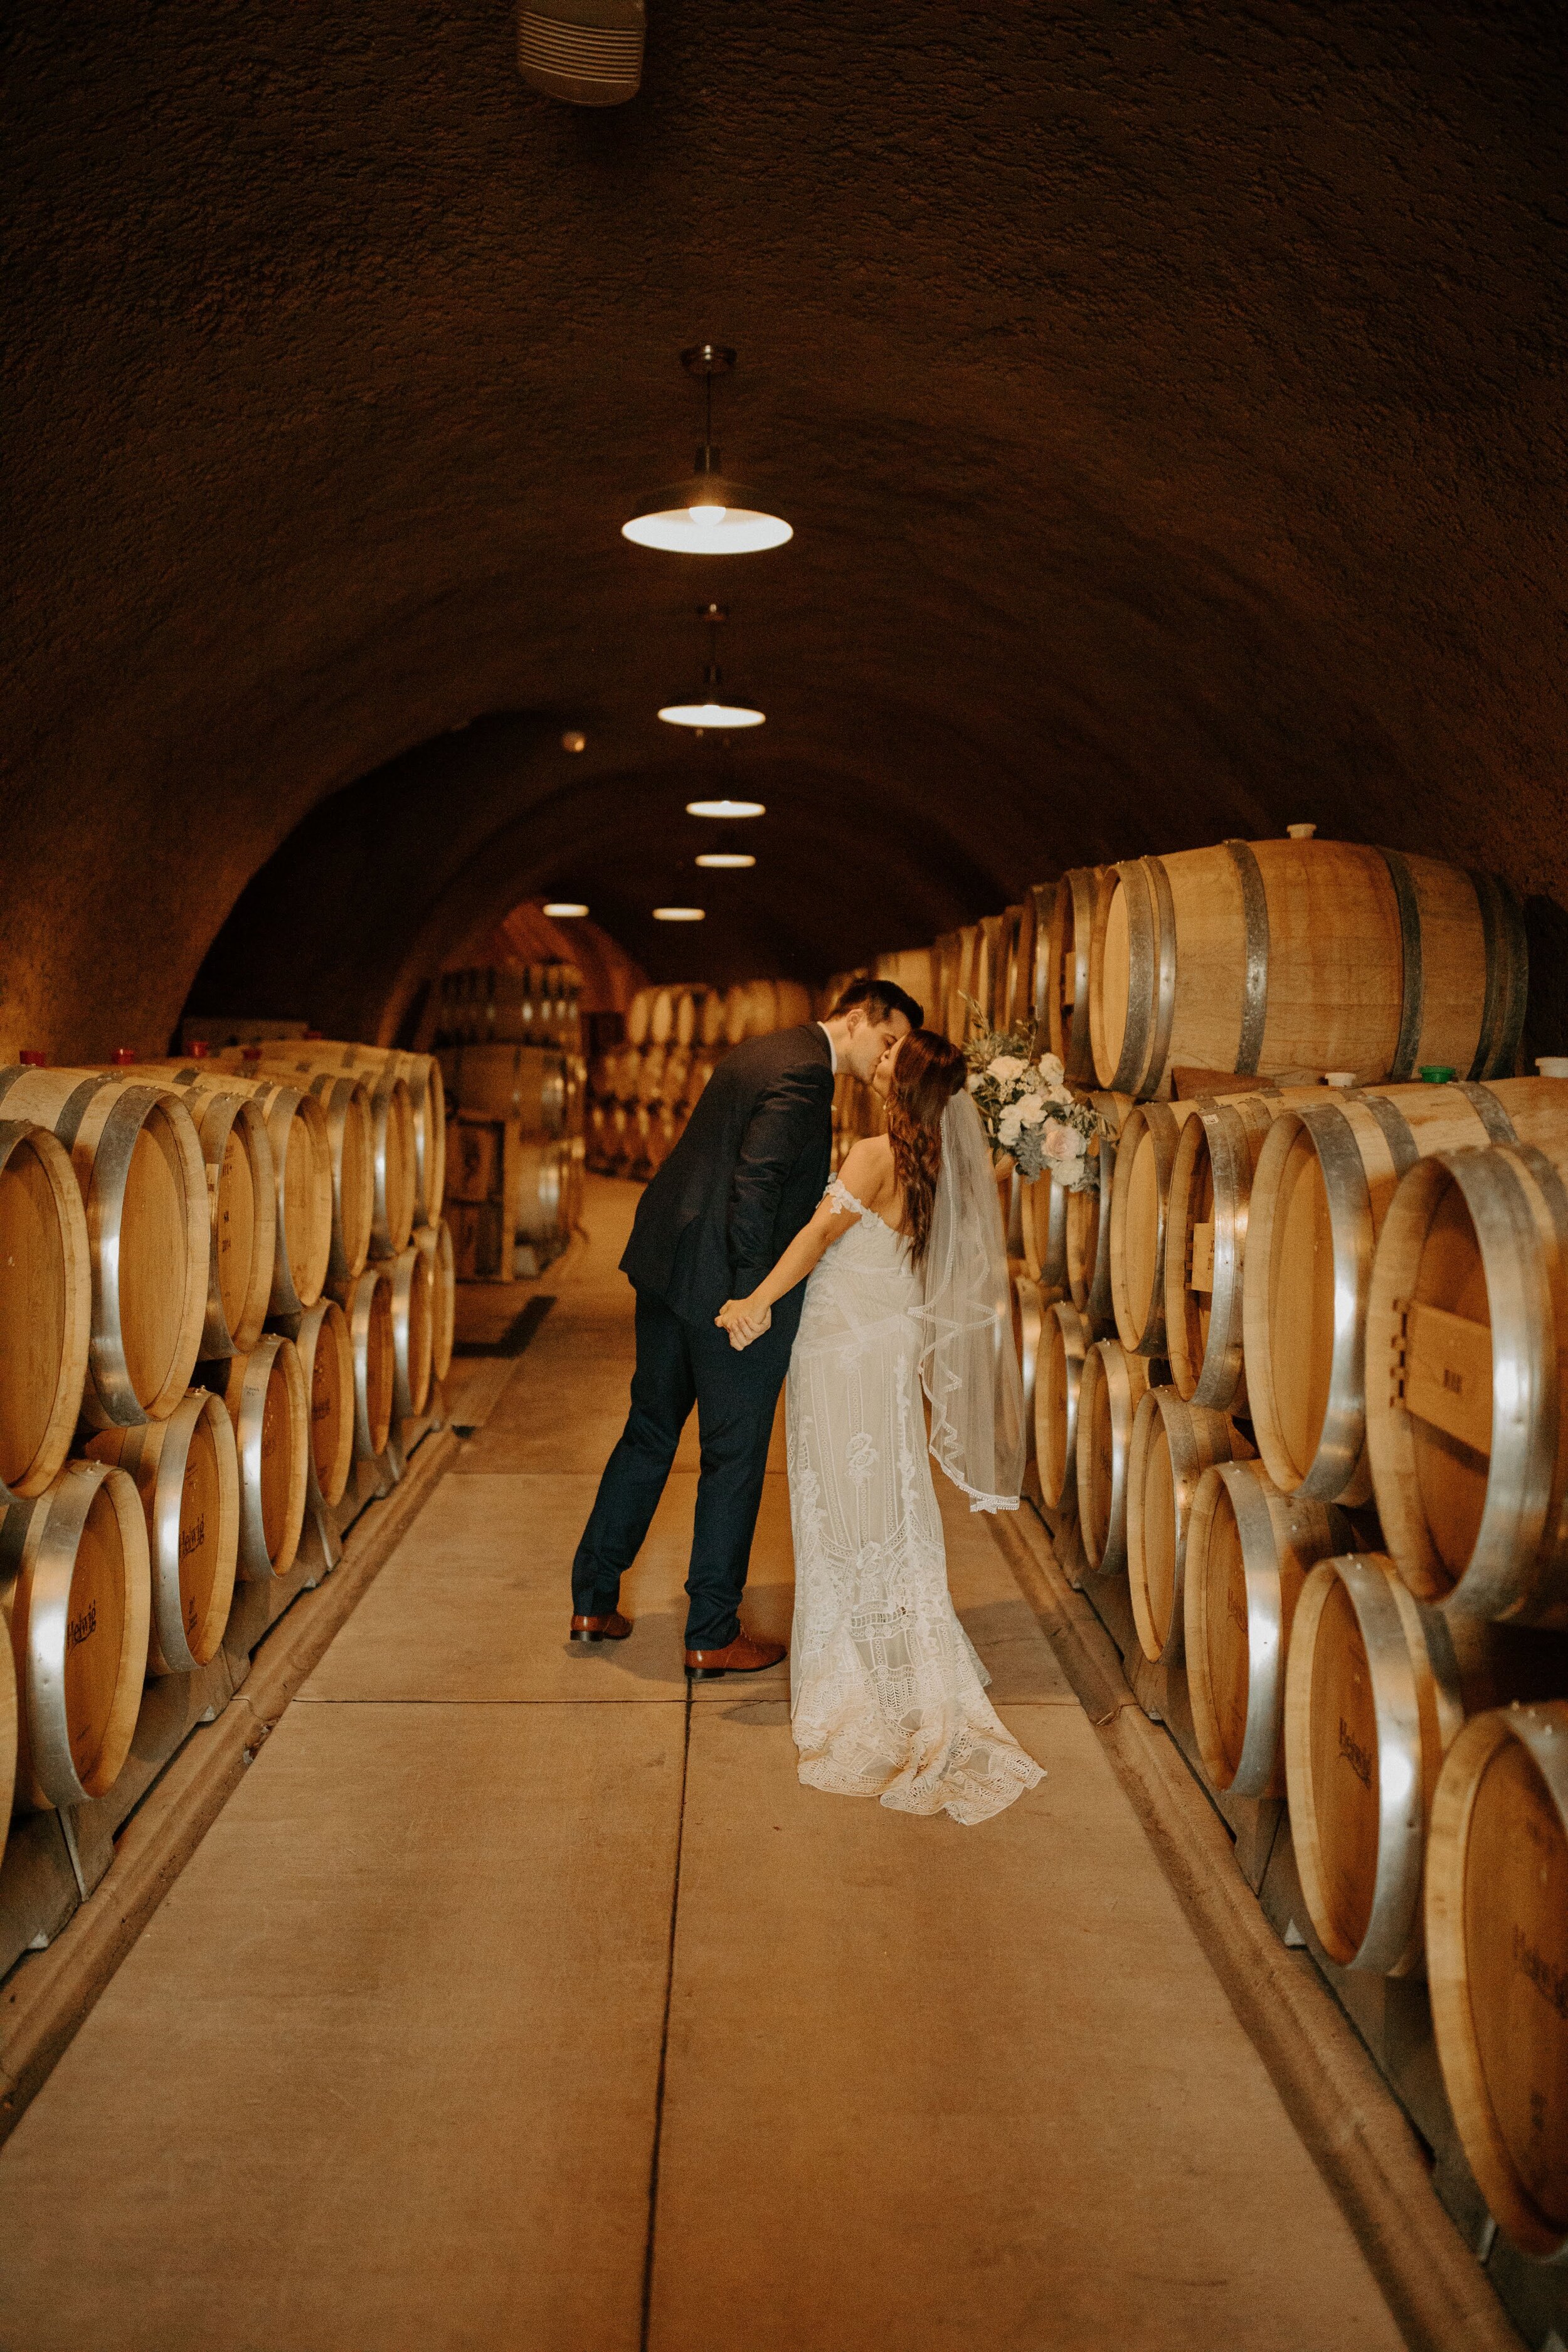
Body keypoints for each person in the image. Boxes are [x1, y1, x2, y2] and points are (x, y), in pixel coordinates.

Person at [717, 1029, 1044, 1825]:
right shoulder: (944, 1163)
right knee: (885, 1505)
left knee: (839, 1506)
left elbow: (818, 1236)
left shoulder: (873, 1153)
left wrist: (756, 1300)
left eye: (895, 1052)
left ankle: (867, 1684)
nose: (882, 1056)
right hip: (887, 1346)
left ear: (909, 1081)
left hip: (838, 1349)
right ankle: (902, 1660)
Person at [569, 977, 922, 1675]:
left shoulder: (762, 1051)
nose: (888, 1059)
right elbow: (755, 1190)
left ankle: (591, 1598)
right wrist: (749, 1303)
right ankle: (710, 1631)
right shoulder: (805, 1078)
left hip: (669, 1267)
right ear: (855, 1019)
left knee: (649, 1431)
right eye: (887, 1042)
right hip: (723, 1287)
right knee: (732, 1461)